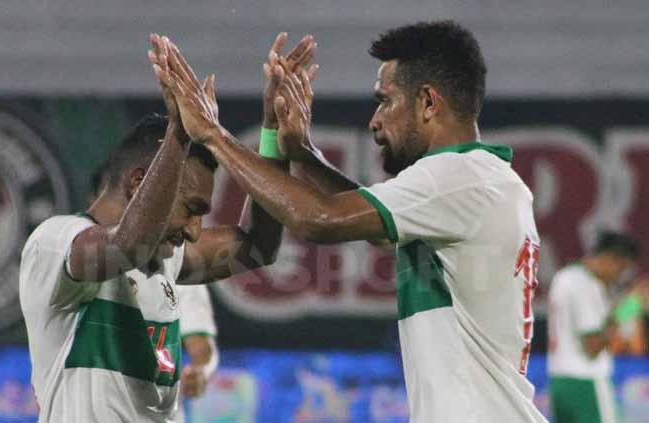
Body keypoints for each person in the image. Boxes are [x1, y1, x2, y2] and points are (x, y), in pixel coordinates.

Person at [150, 20, 547, 422]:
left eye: (385, 100)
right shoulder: (481, 181)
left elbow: (317, 218)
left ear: (428, 102)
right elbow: (365, 227)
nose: (375, 120)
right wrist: (297, 150)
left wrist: (212, 134)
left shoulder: (456, 179)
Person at [19, 32, 317, 422]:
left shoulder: (167, 260)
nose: (194, 231)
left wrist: (272, 133)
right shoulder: (54, 245)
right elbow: (128, 246)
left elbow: (259, 246)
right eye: (191, 209)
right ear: (139, 183)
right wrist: (181, 130)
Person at [88, 162, 221, 403]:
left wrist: (202, 370)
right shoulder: (74, 265)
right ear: (93, 202)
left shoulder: (177, 268)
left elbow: (202, 349)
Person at [548, 231, 643, 423]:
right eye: (622, 269)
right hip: (586, 384)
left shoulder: (564, 276)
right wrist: (627, 310)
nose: (619, 276)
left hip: (560, 382)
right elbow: (592, 346)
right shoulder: (585, 285)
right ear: (612, 259)